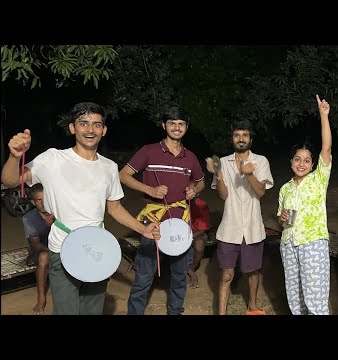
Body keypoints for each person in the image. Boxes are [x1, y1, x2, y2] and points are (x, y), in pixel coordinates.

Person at [1, 102, 160, 315]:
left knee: (92, 311)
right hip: (62, 247)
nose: (90, 130)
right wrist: (15, 156)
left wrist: (142, 229)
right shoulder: (53, 159)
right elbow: (10, 180)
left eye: (96, 124)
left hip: (97, 248)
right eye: (83, 123)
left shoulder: (109, 167)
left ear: (103, 130)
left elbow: (114, 207)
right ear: (72, 128)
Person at [121, 106, 205, 315]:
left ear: (186, 127)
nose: (177, 128)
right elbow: (123, 175)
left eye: (181, 124)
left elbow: (201, 181)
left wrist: (193, 189)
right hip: (154, 222)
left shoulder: (190, 157)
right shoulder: (149, 151)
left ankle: (175, 311)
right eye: (172, 123)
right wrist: (150, 189)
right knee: (144, 275)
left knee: (179, 275)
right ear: (164, 125)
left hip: (180, 222)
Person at [206, 119, 274, 315]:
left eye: (245, 135)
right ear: (232, 138)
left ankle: (252, 306)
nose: (241, 139)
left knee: (252, 271)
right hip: (230, 227)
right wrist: (218, 175)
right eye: (237, 135)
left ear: (250, 138)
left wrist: (249, 174)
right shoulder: (224, 163)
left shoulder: (260, 161)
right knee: (227, 274)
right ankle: (222, 312)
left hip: (253, 227)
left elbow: (261, 192)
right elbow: (223, 195)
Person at [277, 95, 332, 315]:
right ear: (291, 161)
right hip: (289, 244)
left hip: (313, 243)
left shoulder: (319, 179)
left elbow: (326, 148)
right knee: (295, 294)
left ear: (312, 164)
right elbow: (283, 220)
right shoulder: (285, 188)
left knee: (315, 297)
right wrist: (282, 219)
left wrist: (323, 116)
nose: (302, 164)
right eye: (297, 159)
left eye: (307, 160)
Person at [22, 183, 55, 314]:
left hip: (62, 248)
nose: (43, 203)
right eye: (38, 200)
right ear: (33, 201)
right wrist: (56, 251)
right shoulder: (28, 218)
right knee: (44, 256)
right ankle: (41, 298)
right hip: (41, 251)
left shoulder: (58, 212)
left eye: (45, 199)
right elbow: (36, 244)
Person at [186, 195, 211, 288]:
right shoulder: (176, 203)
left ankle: (191, 268)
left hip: (196, 233)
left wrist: (188, 238)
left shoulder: (200, 205)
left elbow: (203, 229)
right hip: (180, 233)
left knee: (199, 245)